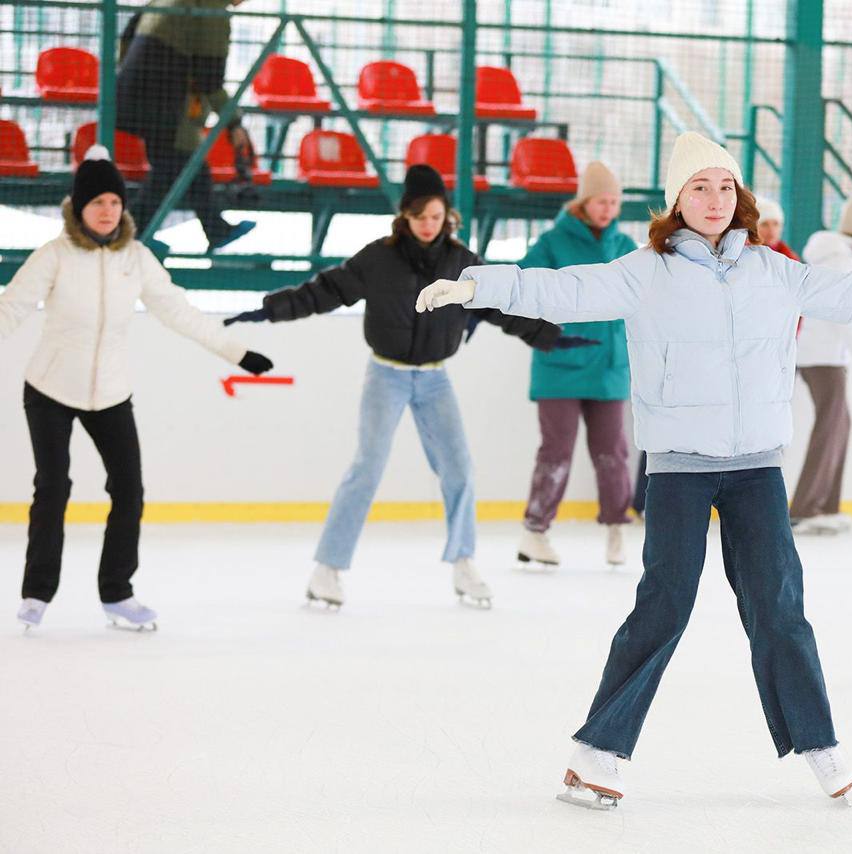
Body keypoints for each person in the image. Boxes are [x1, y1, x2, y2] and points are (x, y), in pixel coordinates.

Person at [416, 132, 852, 806]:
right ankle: (597, 751)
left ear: (740, 197)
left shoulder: (776, 270)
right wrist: (477, 284)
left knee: (779, 606)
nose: (714, 199)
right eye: (699, 187)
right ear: (677, 200)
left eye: (724, 187)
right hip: (680, 465)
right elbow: (559, 291)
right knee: (665, 604)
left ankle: (820, 745)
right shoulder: (643, 271)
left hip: (756, 466)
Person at [224, 165, 589, 609]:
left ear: (446, 215)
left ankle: (463, 563)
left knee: (459, 469)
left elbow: (501, 308)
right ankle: (328, 570)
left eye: (435, 215)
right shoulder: (379, 258)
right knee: (367, 468)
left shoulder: (461, 264)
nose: (427, 224)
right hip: (387, 375)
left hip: (435, 379)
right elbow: (325, 290)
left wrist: (550, 335)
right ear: (405, 217)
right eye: (419, 216)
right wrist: (269, 311)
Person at [0, 146, 273, 630]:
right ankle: (37, 594)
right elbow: (11, 309)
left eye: (114, 202)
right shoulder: (54, 257)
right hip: (50, 389)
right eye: (96, 203)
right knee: (53, 487)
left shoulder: (137, 258)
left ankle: (117, 594)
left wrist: (237, 353)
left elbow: (178, 311)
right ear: (78, 208)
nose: (107, 211)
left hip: (109, 392)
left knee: (128, 490)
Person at [514, 162, 637, 570]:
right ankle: (535, 530)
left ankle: (616, 526)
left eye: (615, 202)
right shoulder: (553, 242)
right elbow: (523, 286)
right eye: (602, 201)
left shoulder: (624, 247)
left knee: (612, 453)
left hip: (610, 366)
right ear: (585, 201)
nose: (609, 209)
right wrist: (546, 329)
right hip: (561, 365)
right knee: (556, 452)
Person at [116, 0, 256, 250]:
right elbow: (210, 78)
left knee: (182, 162)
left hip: (135, 89)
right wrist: (233, 122)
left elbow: (126, 37)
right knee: (175, 164)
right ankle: (127, 235)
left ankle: (215, 229)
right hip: (166, 98)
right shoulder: (212, 9)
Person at [790, 196, 852, 535]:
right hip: (824, 357)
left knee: (839, 425)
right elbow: (846, 320)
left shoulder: (831, 258)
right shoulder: (841, 264)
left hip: (819, 354)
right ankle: (805, 508)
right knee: (830, 428)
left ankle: (826, 505)